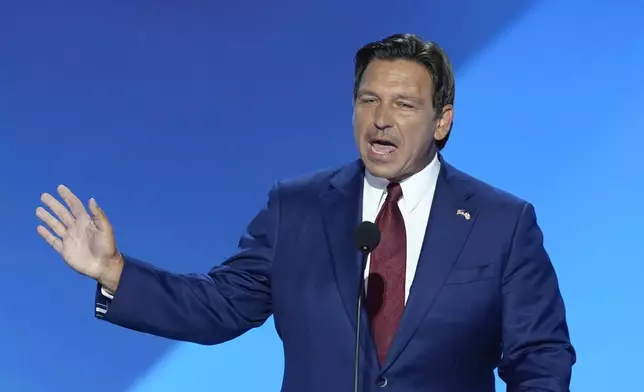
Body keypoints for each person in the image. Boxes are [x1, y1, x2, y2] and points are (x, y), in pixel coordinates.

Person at [35, 33, 575, 391]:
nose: (381, 119)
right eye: (368, 100)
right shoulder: (296, 209)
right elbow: (219, 306)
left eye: (404, 105)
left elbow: (540, 357)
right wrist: (114, 270)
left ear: (441, 121)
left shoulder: (501, 223)